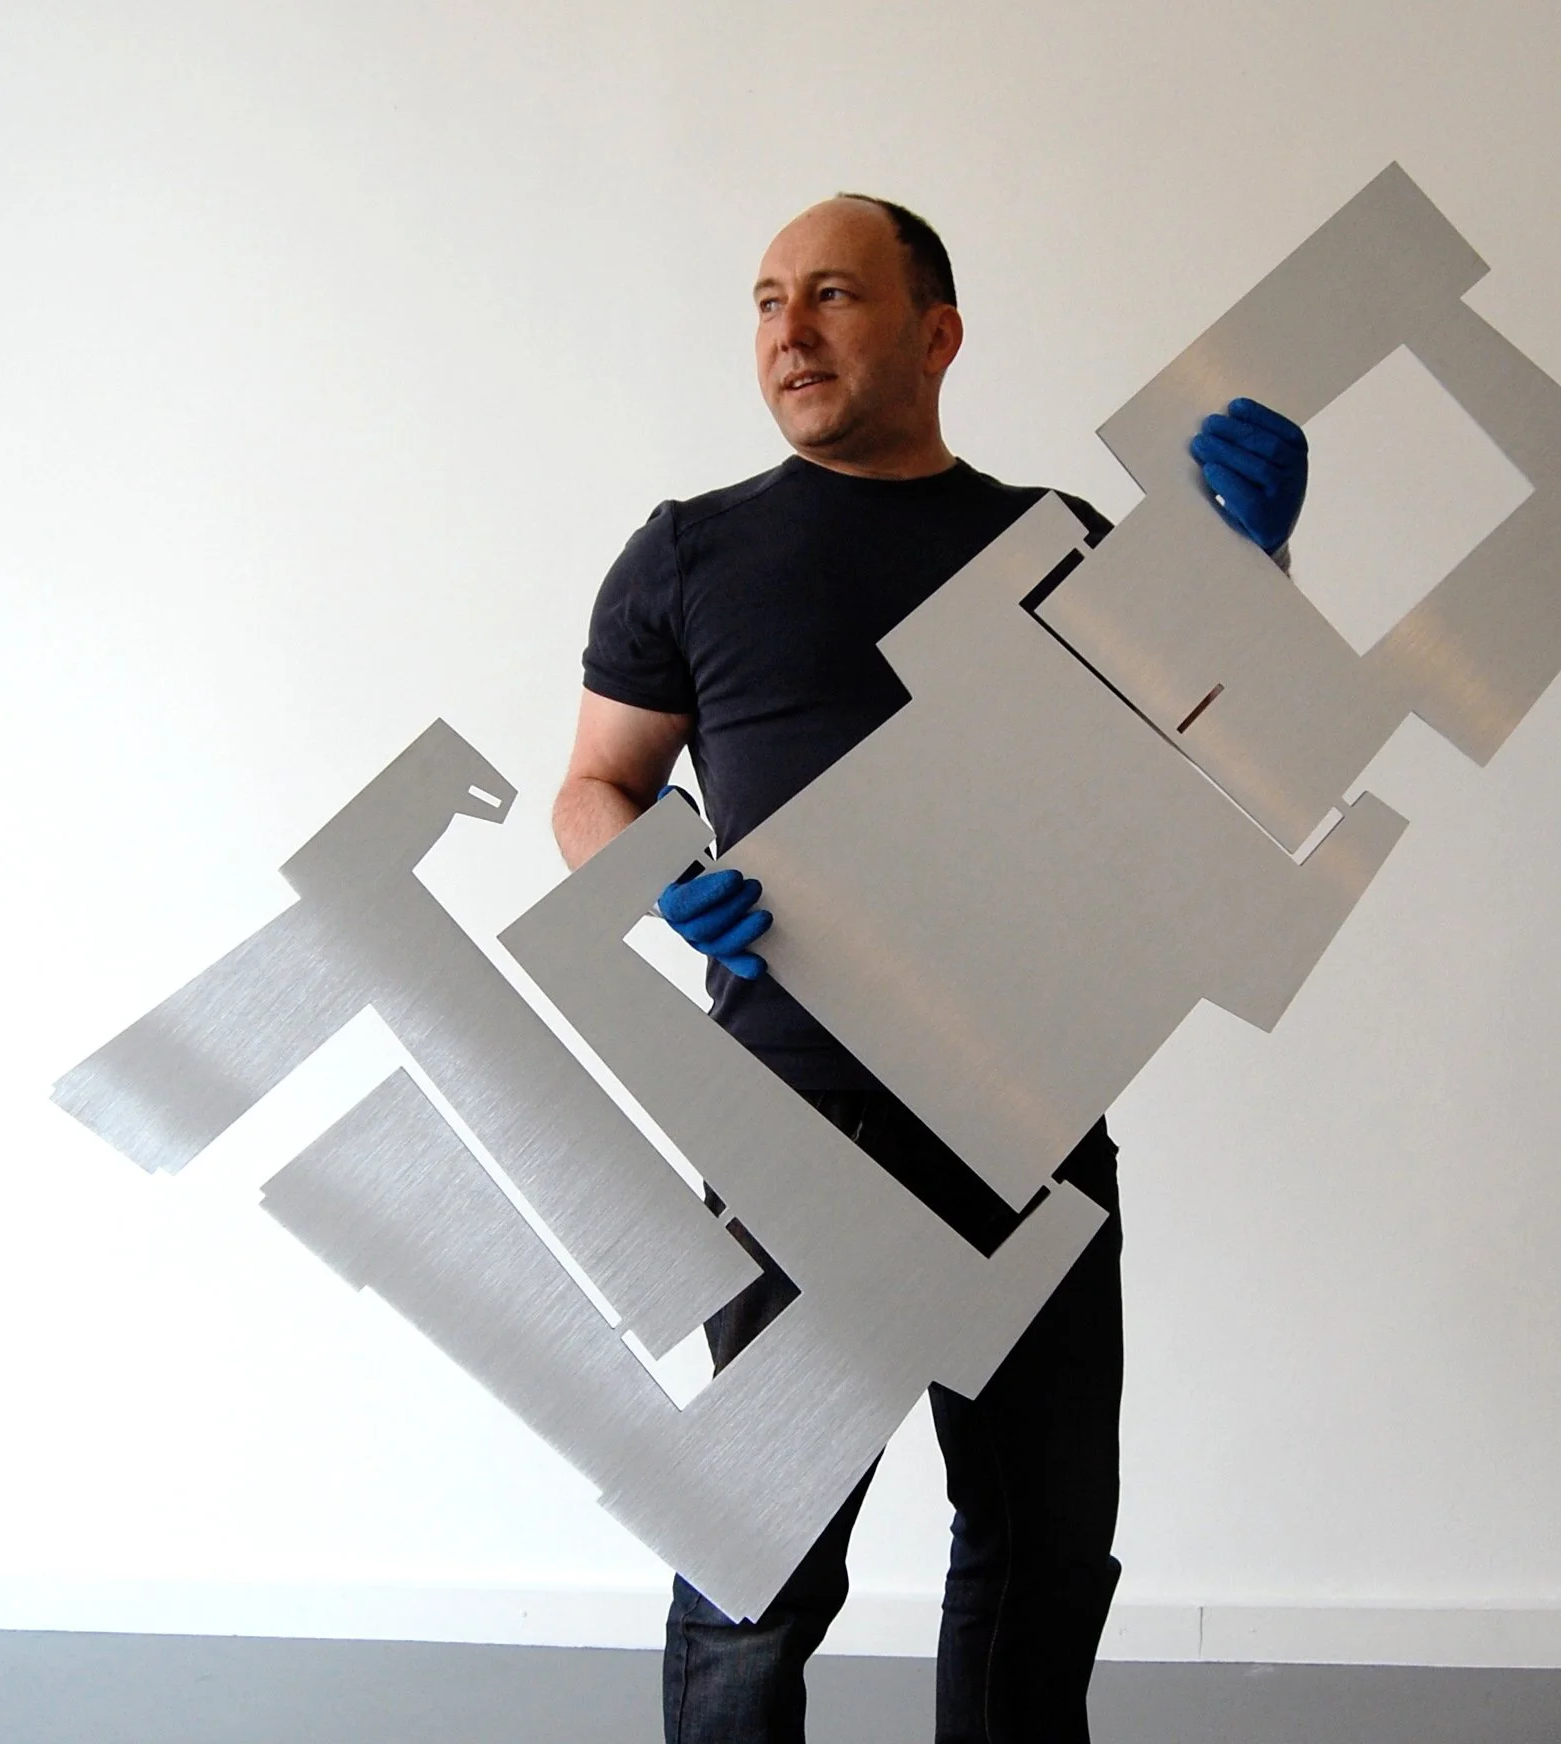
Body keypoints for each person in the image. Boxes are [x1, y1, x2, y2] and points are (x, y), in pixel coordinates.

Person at [552, 193, 1307, 1744]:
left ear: (937, 331)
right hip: (793, 1121)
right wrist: (654, 877)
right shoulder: (690, 550)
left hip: (1032, 1110)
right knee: (759, 1563)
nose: (788, 331)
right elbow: (596, 786)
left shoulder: (1055, 544)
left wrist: (1259, 565)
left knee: (1042, 1555)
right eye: (768, 300)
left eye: (833, 294)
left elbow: (1234, 759)